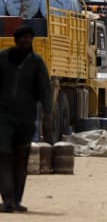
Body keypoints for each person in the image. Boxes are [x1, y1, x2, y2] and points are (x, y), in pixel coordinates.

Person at [0, 25, 52, 213]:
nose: (27, 42)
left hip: (26, 118)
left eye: (30, 39)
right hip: (3, 117)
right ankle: (7, 200)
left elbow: (45, 91)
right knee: (3, 155)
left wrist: (48, 116)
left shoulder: (37, 63)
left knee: (21, 158)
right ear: (16, 41)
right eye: (23, 39)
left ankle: (16, 200)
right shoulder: (3, 58)